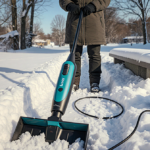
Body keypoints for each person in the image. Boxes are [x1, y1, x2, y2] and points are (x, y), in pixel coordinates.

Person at [59, 0, 110, 92]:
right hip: (75, 21)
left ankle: (95, 82)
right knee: (75, 55)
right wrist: (69, 5)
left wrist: (93, 6)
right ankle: (74, 81)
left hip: (94, 22)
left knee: (94, 55)